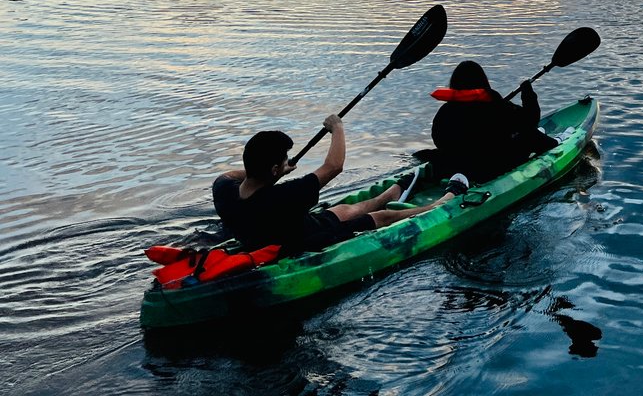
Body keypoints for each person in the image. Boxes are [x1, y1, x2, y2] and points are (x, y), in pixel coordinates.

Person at [213, 115, 454, 256]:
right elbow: (334, 166)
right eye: (284, 161)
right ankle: (438, 205)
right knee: (382, 216)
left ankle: (392, 191)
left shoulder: (224, 191)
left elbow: (238, 174)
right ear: (274, 169)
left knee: (347, 210)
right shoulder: (283, 196)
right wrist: (337, 128)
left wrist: (275, 173)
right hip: (305, 239)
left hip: (288, 227)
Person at [427, 61, 559, 184]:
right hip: (491, 168)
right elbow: (530, 121)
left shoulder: (445, 111)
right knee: (529, 134)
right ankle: (556, 145)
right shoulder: (496, 105)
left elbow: (438, 140)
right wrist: (528, 93)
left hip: (458, 167)